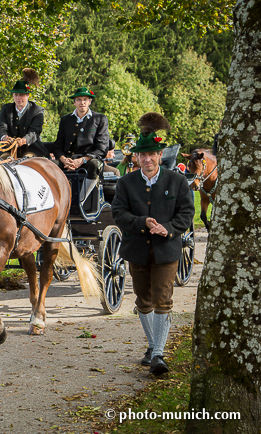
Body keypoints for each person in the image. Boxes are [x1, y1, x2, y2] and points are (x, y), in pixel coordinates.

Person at [111, 112, 195, 375]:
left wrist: (167, 228)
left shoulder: (177, 181)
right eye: (142, 155)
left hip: (166, 250)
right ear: (136, 157)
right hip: (136, 250)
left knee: (163, 300)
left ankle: (158, 354)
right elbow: (118, 213)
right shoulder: (125, 183)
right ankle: (153, 345)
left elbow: (186, 214)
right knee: (143, 301)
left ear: (160, 155)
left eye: (152, 155)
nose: (147, 159)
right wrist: (142, 222)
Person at [53, 87, 109, 200]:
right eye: (78, 99)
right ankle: (55, 201)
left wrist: (82, 160)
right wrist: (63, 159)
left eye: (85, 99)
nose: (82, 102)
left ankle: (80, 200)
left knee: (94, 165)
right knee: (48, 165)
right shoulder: (65, 120)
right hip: (67, 160)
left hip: (88, 160)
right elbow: (58, 146)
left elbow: (102, 148)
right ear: (74, 102)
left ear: (89, 101)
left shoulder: (100, 119)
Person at [0, 68, 50, 159]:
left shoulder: (37, 110)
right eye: (16, 95)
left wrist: (24, 140)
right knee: (3, 163)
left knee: (27, 162)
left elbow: (35, 132)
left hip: (31, 148)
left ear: (27, 95)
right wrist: (5, 137)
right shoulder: (6, 108)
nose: (18, 97)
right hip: (9, 149)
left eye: (21, 95)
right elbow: (1, 127)